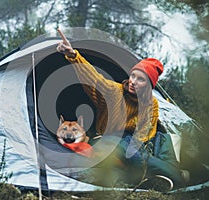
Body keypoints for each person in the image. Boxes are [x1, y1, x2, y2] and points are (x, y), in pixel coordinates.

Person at [56, 29, 185, 189]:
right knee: (132, 153)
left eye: (140, 79)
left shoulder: (151, 103)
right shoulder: (113, 91)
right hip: (109, 137)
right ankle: (178, 179)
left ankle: (157, 176)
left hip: (133, 140)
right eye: (132, 76)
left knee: (153, 146)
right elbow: (93, 78)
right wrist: (74, 56)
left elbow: (146, 131)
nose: (133, 81)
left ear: (149, 85)